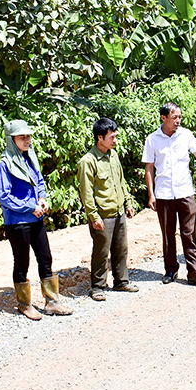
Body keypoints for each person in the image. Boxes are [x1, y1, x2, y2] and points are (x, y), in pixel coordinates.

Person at [142, 102, 196, 287]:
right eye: (174, 117)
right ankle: (170, 270)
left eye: (180, 117)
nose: (178, 120)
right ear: (163, 118)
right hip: (163, 193)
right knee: (167, 234)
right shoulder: (152, 139)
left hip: (185, 191)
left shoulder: (186, 135)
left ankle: (194, 273)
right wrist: (151, 194)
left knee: (189, 233)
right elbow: (149, 167)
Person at [0, 120, 73, 320]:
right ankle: (24, 305)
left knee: (45, 258)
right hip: (17, 222)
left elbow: (39, 181)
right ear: (11, 140)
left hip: (36, 217)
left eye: (28, 136)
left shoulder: (30, 158)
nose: (27, 140)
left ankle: (52, 302)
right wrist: (31, 207)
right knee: (22, 262)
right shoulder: (5, 164)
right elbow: (4, 197)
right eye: (21, 137)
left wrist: (41, 198)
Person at [77, 117, 139, 302]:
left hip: (118, 211)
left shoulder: (114, 155)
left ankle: (121, 281)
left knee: (121, 249)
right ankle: (98, 287)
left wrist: (128, 203)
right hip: (103, 215)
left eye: (115, 136)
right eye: (111, 137)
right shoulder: (88, 161)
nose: (115, 140)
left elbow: (121, 181)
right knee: (101, 252)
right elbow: (86, 192)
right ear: (100, 138)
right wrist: (93, 216)